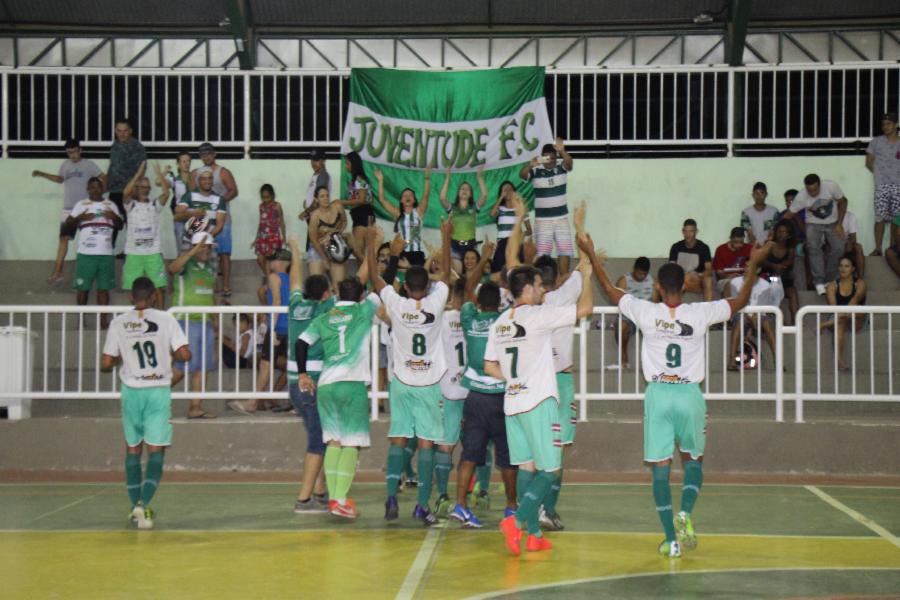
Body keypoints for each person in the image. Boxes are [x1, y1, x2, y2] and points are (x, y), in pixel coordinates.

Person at [580, 230, 770, 558]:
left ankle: (671, 540)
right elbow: (739, 302)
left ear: (657, 286)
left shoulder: (646, 312)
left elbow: (611, 290)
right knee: (694, 459)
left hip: (658, 394)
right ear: (685, 286)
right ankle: (686, 513)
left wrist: (592, 254)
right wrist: (752, 266)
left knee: (661, 468)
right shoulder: (699, 314)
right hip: (689, 395)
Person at [487, 258, 594, 556]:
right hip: (539, 401)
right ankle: (518, 521)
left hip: (513, 403)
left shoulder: (500, 322)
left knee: (526, 468)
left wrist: (513, 378)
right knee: (550, 469)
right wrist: (586, 277)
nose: (541, 289)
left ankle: (533, 534)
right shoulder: (536, 315)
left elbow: (489, 366)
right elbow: (585, 309)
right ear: (527, 290)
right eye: (537, 285)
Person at [371, 216, 450, 526]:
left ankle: (391, 498)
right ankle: (421, 505)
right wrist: (445, 236)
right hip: (429, 382)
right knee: (428, 443)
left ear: (405, 286)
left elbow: (377, 281)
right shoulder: (436, 302)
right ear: (428, 286)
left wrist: (371, 244)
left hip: (402, 382)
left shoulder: (397, 305)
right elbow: (445, 274)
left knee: (399, 440)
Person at [101, 276, 191, 530]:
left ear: (131, 297)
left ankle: (134, 506)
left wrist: (125, 356)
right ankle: (143, 503)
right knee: (156, 448)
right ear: (153, 296)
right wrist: (170, 351)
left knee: (133, 448)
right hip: (157, 390)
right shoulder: (166, 320)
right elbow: (185, 354)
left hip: (132, 390)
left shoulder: (119, 323)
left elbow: (106, 363)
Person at [296, 256, 381, 518]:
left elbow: (301, 342)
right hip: (351, 385)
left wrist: (302, 374)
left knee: (333, 441)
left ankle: (336, 499)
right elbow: (376, 284)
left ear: (337, 294)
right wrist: (372, 251)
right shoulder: (365, 309)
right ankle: (340, 499)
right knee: (352, 444)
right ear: (361, 296)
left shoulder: (325, 316)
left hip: (326, 384)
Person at [448, 280, 518, 529]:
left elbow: (466, 294)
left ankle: (460, 505)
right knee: (507, 457)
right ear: (498, 303)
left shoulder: (468, 318)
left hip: (475, 397)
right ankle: (511, 507)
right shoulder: (504, 320)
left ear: (478, 303)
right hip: (501, 396)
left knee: (469, 455)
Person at [282, 236, 337, 513]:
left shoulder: (296, 305)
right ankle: (303, 499)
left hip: (294, 384)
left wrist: (295, 251)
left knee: (320, 434)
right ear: (325, 295)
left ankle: (320, 491)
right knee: (318, 439)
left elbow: (294, 281)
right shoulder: (325, 310)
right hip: (312, 383)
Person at [229, 249, 293, 414]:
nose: (270, 263)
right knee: (292, 365)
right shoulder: (293, 280)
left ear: (279, 262)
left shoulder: (274, 277)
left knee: (265, 365)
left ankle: (253, 402)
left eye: (272, 260)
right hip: (291, 327)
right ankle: (286, 401)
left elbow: (277, 301)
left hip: (278, 327)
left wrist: (271, 329)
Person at [32, 138, 104, 283]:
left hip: (86, 208)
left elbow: (104, 177)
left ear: (80, 150)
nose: (72, 155)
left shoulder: (89, 165)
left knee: (92, 239)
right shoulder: (65, 165)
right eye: (69, 153)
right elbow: (60, 179)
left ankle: (96, 272)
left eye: (74, 152)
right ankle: (57, 273)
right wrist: (42, 174)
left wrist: (101, 194)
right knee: (63, 239)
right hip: (69, 210)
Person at [169, 232, 218, 419]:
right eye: (203, 246)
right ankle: (153, 395)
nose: (206, 250)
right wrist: (192, 251)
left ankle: (195, 407)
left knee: (203, 367)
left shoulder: (209, 269)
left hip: (204, 323)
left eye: (208, 247)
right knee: (183, 366)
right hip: (185, 321)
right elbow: (172, 268)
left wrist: (215, 321)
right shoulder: (185, 265)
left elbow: (210, 295)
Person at [66, 177, 123, 328]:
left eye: (98, 187)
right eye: (92, 187)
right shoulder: (81, 204)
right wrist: (80, 218)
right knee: (82, 289)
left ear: (102, 188)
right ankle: (81, 320)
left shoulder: (110, 205)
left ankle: (103, 321)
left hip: (106, 254)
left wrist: (114, 217)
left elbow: (120, 225)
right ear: (88, 189)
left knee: (103, 289)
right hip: (86, 254)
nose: (95, 190)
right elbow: (68, 223)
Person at [433, 279, 468, 519]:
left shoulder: (443, 319)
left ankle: (443, 495)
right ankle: (481, 491)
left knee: (445, 444)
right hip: (472, 386)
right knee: (477, 443)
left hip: (447, 386)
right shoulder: (475, 318)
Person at [784, 174, 848, 296]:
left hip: (832, 223)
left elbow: (843, 201)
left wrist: (839, 223)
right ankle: (818, 281)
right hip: (813, 224)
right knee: (813, 248)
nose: (812, 193)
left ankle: (829, 279)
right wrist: (773, 230)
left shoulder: (830, 186)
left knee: (839, 247)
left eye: (815, 190)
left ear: (820, 184)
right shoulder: (802, 196)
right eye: (809, 190)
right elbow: (789, 214)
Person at [519, 138, 574, 274]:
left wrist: (562, 151)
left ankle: (564, 281)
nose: (551, 161)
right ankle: (544, 286)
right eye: (548, 158)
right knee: (543, 255)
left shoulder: (561, 167)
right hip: (542, 221)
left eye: (554, 158)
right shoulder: (536, 170)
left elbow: (570, 164)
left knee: (564, 251)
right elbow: (522, 175)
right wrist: (530, 165)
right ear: (542, 157)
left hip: (561, 218)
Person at [192, 143, 239, 296]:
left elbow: (234, 190)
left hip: (222, 219)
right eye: (203, 154)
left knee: (224, 253)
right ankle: (208, 284)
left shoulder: (222, 172)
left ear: (214, 154)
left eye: (209, 153)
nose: (206, 157)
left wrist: (217, 202)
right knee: (204, 251)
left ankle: (226, 285)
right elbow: (191, 194)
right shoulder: (196, 173)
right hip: (203, 220)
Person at [121, 161, 170, 309]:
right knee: (132, 290)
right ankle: (137, 317)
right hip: (133, 253)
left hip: (153, 253)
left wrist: (159, 174)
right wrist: (138, 174)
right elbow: (125, 193)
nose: (145, 190)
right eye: (142, 187)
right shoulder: (131, 205)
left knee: (159, 288)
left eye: (147, 187)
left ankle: (161, 318)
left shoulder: (154, 205)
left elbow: (166, 193)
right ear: (136, 188)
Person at [374, 167, 432, 265]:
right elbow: (382, 200)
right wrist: (380, 181)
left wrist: (427, 179)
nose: (408, 197)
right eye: (405, 195)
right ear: (401, 200)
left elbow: (426, 195)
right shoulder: (398, 213)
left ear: (414, 200)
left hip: (417, 253)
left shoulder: (419, 212)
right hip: (401, 252)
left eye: (410, 195)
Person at [821, 254, 868, 371]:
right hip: (837, 316)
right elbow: (833, 307)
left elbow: (854, 301)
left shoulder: (860, 283)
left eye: (847, 266)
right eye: (841, 266)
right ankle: (839, 360)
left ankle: (825, 324)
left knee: (859, 310)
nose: (843, 269)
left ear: (853, 269)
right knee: (841, 323)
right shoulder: (832, 286)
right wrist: (841, 315)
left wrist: (843, 314)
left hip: (857, 318)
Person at [108, 118, 147, 253]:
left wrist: (135, 191)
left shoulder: (137, 147)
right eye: (119, 131)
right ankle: (107, 250)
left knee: (132, 223)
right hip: (114, 191)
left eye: (125, 131)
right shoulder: (115, 146)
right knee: (111, 222)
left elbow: (141, 172)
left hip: (129, 192)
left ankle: (132, 252)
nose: (122, 134)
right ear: (115, 131)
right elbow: (113, 168)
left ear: (130, 131)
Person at [610, 257, 656, 369]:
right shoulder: (624, 281)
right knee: (621, 326)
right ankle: (623, 355)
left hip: (646, 315)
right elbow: (618, 301)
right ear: (634, 269)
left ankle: (654, 362)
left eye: (644, 274)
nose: (642, 276)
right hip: (629, 316)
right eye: (639, 273)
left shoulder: (652, 282)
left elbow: (655, 303)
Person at [439, 166, 488, 272]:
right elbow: (442, 198)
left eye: (467, 189)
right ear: (458, 193)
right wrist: (447, 178)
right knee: (457, 276)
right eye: (462, 188)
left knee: (472, 275)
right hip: (455, 246)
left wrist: (479, 177)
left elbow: (484, 195)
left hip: (471, 246)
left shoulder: (474, 207)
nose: (465, 190)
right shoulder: (452, 208)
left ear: (470, 194)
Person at [865, 112, 900, 256]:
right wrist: (879, 175)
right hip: (881, 185)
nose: (885, 127)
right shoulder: (876, 141)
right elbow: (868, 162)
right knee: (879, 217)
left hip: (898, 185)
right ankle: (878, 248)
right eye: (883, 124)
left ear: (896, 125)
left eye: (888, 124)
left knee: (896, 219)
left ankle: (892, 248)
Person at [308, 185, 349, 287]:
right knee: (316, 286)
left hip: (335, 247)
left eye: (327, 195)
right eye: (322, 196)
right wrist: (324, 258)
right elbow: (313, 239)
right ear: (316, 199)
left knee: (338, 285)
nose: (326, 198)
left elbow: (344, 221)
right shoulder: (315, 216)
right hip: (318, 248)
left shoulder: (337, 207)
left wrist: (337, 233)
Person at [490, 180, 532, 275]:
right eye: (505, 190)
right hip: (502, 244)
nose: (507, 192)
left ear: (514, 192)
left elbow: (530, 230)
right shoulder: (500, 208)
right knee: (499, 271)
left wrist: (521, 235)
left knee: (517, 272)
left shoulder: (521, 208)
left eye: (510, 189)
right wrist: (501, 197)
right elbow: (492, 214)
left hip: (516, 243)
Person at [338, 151, 373, 261]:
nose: (346, 166)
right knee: (362, 252)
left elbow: (361, 199)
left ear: (353, 164)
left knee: (358, 251)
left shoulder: (359, 180)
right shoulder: (358, 180)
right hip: (363, 215)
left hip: (361, 215)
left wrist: (342, 202)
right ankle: (367, 273)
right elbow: (371, 201)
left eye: (347, 163)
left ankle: (365, 274)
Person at [668, 219, 714, 301]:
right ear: (682, 231)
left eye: (691, 231)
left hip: (697, 281)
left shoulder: (704, 248)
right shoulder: (676, 247)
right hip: (682, 280)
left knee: (708, 279)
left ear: (696, 231)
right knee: (678, 281)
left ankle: (709, 309)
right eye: (685, 231)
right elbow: (671, 268)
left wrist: (699, 275)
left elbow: (709, 270)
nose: (688, 234)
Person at [764, 222, 799, 325]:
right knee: (775, 283)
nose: (781, 234)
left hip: (784, 279)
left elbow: (790, 262)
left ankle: (796, 321)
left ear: (789, 234)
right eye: (779, 231)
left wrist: (780, 266)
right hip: (769, 278)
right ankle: (779, 321)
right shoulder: (769, 245)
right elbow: (762, 261)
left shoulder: (790, 248)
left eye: (784, 232)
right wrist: (774, 266)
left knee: (792, 292)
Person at [253, 184, 286, 276]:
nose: (265, 200)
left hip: (273, 237)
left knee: (269, 260)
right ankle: (270, 277)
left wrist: (284, 237)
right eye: (263, 197)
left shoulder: (277, 206)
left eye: (268, 197)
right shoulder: (261, 206)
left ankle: (271, 280)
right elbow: (261, 222)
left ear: (272, 195)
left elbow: (282, 222)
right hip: (262, 236)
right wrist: (256, 239)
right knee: (260, 259)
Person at [165, 150, 192, 256]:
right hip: (180, 218)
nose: (186, 164)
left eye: (188, 161)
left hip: (194, 217)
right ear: (178, 164)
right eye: (183, 161)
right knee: (181, 248)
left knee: (195, 246)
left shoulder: (194, 177)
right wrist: (164, 172)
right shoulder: (174, 179)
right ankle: (181, 271)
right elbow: (159, 182)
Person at [712, 227, 752, 298]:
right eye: (736, 242)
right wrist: (729, 276)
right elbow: (719, 272)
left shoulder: (749, 248)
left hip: (744, 278)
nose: (740, 245)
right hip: (725, 279)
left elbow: (755, 265)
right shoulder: (721, 250)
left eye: (741, 242)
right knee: (731, 284)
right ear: (730, 239)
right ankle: (730, 307)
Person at [741, 182, 778, 246]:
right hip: (753, 248)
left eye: (762, 193)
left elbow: (772, 233)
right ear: (753, 195)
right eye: (757, 193)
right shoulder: (746, 212)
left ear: (766, 194)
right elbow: (750, 234)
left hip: (769, 247)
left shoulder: (774, 211)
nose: (759, 196)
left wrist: (765, 249)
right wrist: (758, 248)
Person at [840, 210, 866, 279]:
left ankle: (861, 280)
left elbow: (853, 238)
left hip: (845, 244)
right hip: (832, 246)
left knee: (858, 247)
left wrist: (849, 243)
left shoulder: (850, 216)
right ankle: (829, 281)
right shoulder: (828, 217)